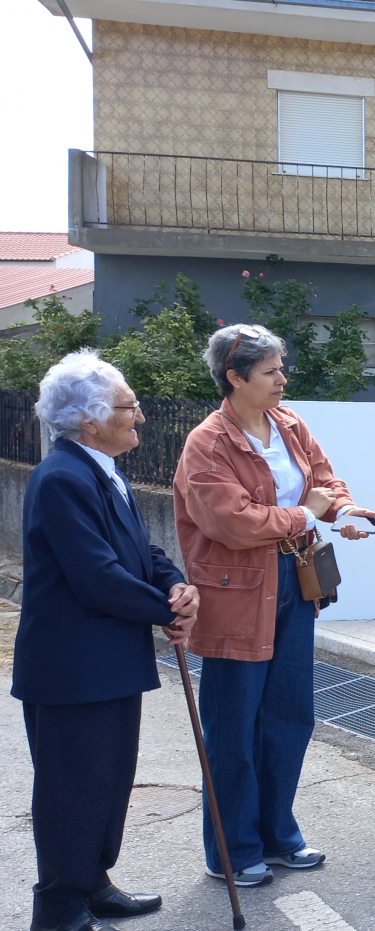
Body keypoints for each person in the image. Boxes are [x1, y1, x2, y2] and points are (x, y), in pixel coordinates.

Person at [175, 324, 375, 888]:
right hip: (236, 593)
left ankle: (277, 832)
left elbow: (324, 481)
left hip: (294, 581)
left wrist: (344, 512)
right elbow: (230, 521)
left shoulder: (289, 424)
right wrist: (308, 516)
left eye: (281, 367)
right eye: (270, 371)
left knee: (289, 714)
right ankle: (232, 850)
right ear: (235, 378)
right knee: (233, 725)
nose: (283, 380)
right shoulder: (207, 443)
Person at [15, 351, 197, 931]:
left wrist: (175, 589)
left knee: (109, 779)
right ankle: (61, 906)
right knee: (72, 789)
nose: (140, 417)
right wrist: (164, 614)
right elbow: (95, 575)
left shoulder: (101, 469)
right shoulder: (63, 477)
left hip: (110, 660)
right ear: (89, 420)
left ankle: (93, 882)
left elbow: (142, 553)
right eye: (129, 407)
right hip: (73, 667)